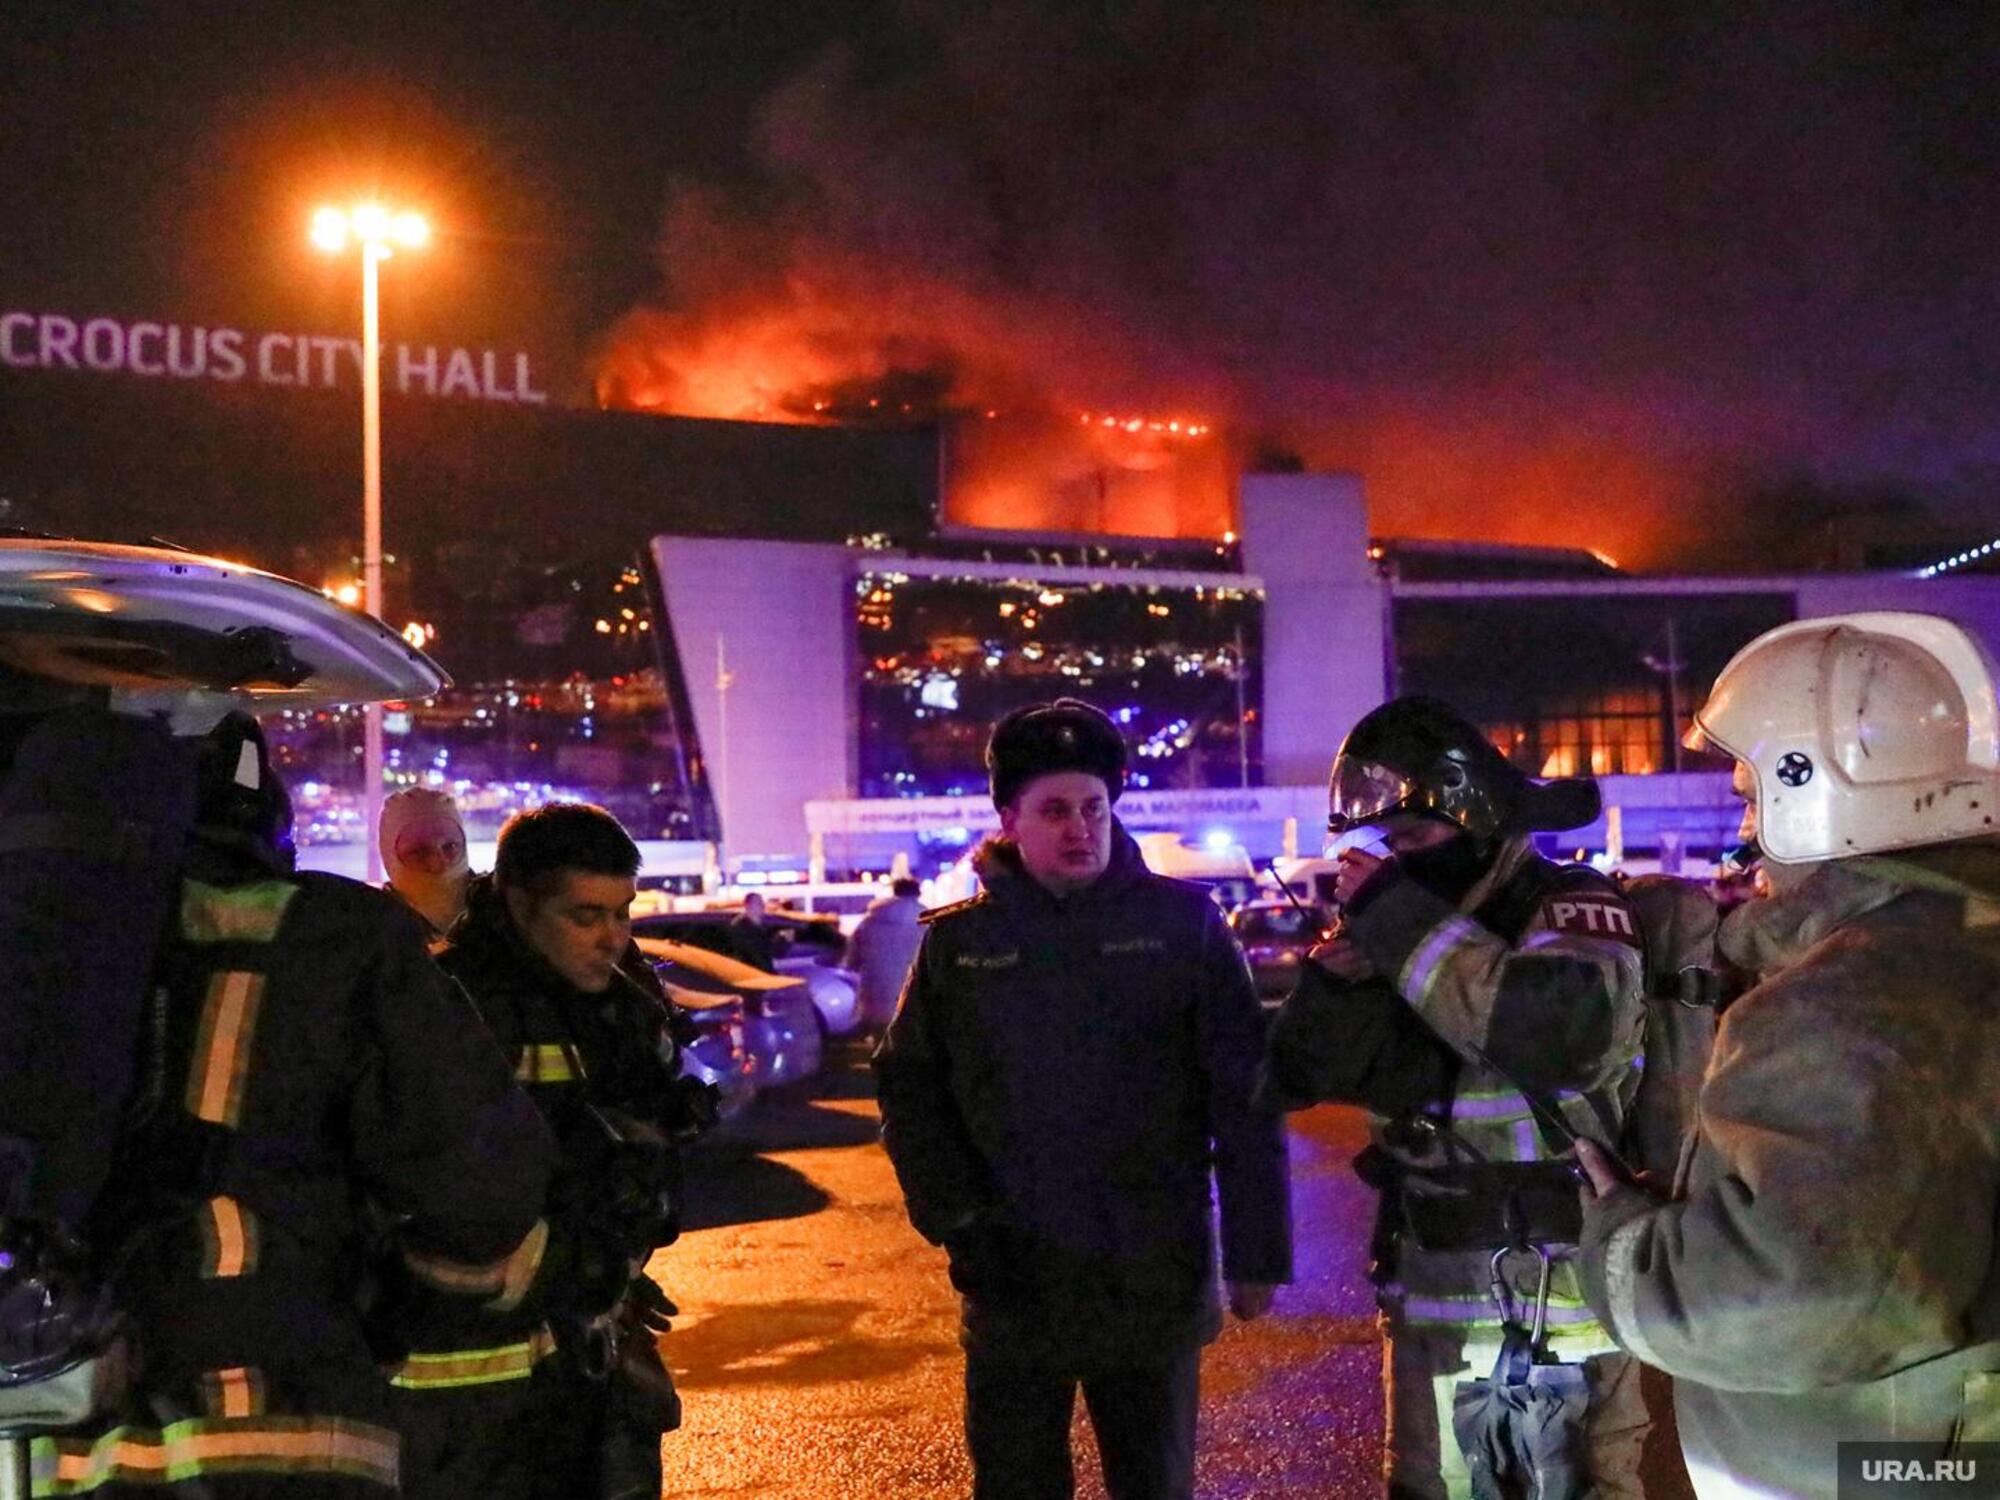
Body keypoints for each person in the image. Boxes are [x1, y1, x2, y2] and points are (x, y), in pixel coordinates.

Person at [14, 708, 558, 1499]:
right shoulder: (342, 934)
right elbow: (482, 1182)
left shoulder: (50, 944)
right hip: (283, 1430)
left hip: (44, 1445)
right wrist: (403, 1308)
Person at [1577, 612, 2000, 1498]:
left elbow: (1793, 1296)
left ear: (1814, 787)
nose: (1745, 830)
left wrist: (1629, 1245)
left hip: (1877, 1467)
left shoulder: (1848, 999)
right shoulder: (1967, 946)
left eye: (1751, 792)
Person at [875, 698, 1292, 1500]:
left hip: (1151, 1274)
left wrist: (1256, 1253)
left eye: (1095, 808)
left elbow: (1245, 1096)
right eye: (1056, 810)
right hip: (1013, 1275)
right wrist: (956, 1219)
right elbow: (911, 1092)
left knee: (1153, 1483)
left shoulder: (1183, 927)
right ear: (1010, 820)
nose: (1080, 828)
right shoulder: (960, 944)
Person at [1260, 695, 1653, 1499]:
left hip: (1563, 1300)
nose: (1397, 862)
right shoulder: (1411, 930)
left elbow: (1562, 1039)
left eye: (1415, 839)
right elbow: (1295, 1077)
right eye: (1385, 846)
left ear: (1474, 819)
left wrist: (1398, 924)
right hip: (1434, 1299)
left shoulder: (1567, 903)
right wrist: (1339, 984)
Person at [393, 802, 710, 1500]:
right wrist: (577, 1268)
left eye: (622, 914)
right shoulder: (451, 1009)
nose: (612, 939)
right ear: (517, 903)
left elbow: (638, 1171)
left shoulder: (625, 1010)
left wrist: (617, 1271)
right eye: (585, 916)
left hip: (591, 1361)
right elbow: (437, 1201)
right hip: (476, 1390)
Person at [380, 787, 472, 944]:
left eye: (450, 847)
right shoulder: (375, 929)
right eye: (419, 852)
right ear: (390, 855)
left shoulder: (503, 913)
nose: (438, 863)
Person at [843, 876, 925, 1029]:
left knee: (880, 1041)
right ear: (918, 894)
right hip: (911, 996)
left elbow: (852, 958)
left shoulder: (871, 920)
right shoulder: (927, 922)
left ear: (895, 892)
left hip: (876, 993)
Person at [728, 890, 777, 971]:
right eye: (758, 903)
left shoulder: (762, 926)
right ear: (748, 906)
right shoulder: (740, 927)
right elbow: (752, 954)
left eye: (762, 903)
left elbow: (768, 950)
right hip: (751, 973)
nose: (762, 906)